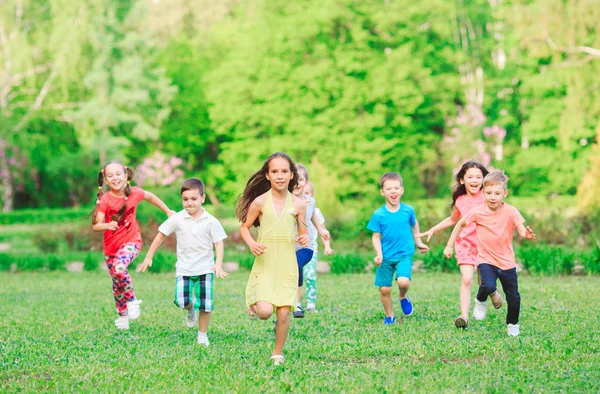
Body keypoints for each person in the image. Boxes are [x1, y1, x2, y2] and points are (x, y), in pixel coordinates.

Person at [236, 152, 310, 366]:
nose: (280, 176)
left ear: (291, 175)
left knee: (285, 314)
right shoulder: (259, 202)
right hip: (266, 262)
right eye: (275, 171)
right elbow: (244, 227)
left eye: (284, 171)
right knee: (266, 312)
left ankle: (277, 353)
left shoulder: (299, 205)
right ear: (267, 175)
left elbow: (302, 232)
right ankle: (254, 303)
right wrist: (252, 243)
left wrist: (303, 238)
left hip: (288, 263)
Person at [136, 178, 228, 347]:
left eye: (194, 199)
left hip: (205, 269)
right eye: (185, 199)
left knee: (206, 304)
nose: (189, 203)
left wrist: (218, 263)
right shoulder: (177, 218)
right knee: (181, 301)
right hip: (184, 269)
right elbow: (161, 235)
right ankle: (190, 309)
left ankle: (202, 335)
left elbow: (219, 243)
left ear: (203, 198)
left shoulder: (211, 221)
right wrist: (148, 257)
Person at [443, 171, 536, 336]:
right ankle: (480, 300)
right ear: (483, 193)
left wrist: (526, 235)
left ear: (504, 194)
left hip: (507, 262)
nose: (493, 197)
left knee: (514, 297)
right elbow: (460, 224)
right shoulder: (478, 212)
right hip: (486, 259)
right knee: (487, 285)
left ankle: (512, 324)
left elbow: (521, 230)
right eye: (488, 193)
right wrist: (450, 245)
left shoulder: (511, 211)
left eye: (497, 193)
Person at [91, 161, 175, 330]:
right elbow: (96, 224)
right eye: (110, 175)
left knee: (120, 268)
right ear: (106, 180)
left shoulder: (135, 193)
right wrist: (106, 225)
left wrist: (167, 211)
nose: (115, 178)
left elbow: (151, 197)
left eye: (118, 174)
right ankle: (123, 316)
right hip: (110, 248)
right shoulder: (105, 200)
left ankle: (132, 300)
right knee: (116, 283)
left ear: (126, 175)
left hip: (132, 241)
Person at [418, 161, 489, 329]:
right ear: (462, 180)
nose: (474, 180)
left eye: (478, 177)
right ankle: (463, 316)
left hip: (485, 245)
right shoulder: (460, 200)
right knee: (466, 278)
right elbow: (452, 220)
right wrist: (432, 230)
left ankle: (483, 300)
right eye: (470, 176)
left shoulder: (487, 196)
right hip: (465, 244)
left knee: (484, 282)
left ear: (484, 179)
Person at [367, 172, 429, 325]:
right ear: (382, 192)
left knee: (403, 282)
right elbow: (375, 237)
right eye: (388, 189)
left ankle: (403, 296)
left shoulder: (408, 210)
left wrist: (419, 242)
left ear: (402, 190)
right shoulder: (378, 214)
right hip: (386, 256)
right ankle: (390, 315)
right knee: (384, 290)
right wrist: (379, 254)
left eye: (396, 188)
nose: (393, 191)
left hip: (404, 254)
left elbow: (414, 225)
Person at [294, 178, 333, 316]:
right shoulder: (286, 203)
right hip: (291, 246)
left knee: (309, 275)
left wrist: (326, 244)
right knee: (294, 272)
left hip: (309, 246)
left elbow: (320, 225)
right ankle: (294, 303)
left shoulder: (312, 206)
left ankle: (310, 303)